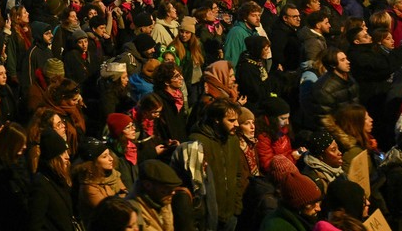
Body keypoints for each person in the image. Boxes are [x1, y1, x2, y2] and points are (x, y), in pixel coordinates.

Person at [189, 98, 246, 231]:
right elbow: (195, 184)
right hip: (208, 218)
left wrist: (236, 206)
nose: (237, 124)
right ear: (216, 120)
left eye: (237, 120)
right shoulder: (197, 141)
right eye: (231, 121)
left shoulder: (233, 140)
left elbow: (238, 175)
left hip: (230, 214)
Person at [27, 129, 76, 231]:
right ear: (54, 159)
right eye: (63, 153)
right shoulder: (41, 185)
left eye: (67, 152)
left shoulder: (60, 180)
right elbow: (34, 224)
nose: (67, 157)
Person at [126, 160, 182, 231]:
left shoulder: (163, 201)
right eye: (167, 188)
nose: (173, 192)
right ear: (148, 185)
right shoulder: (132, 210)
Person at [258, 171, 322, 231]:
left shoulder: (303, 219)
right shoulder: (277, 227)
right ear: (297, 205)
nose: (318, 208)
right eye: (312, 204)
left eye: (318, 202)